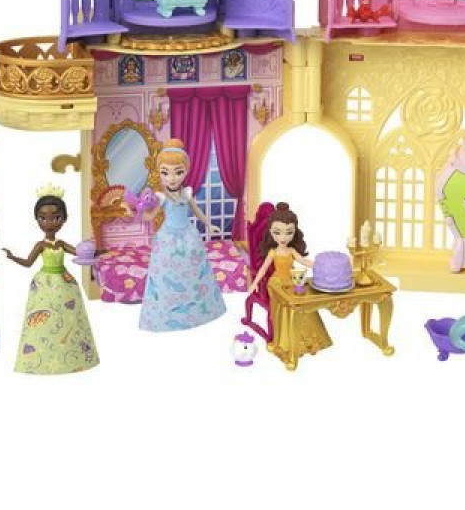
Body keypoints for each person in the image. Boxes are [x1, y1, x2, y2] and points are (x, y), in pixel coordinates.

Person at [3, 186, 99, 374]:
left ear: (64, 219)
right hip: (44, 286)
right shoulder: (41, 245)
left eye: (56, 218)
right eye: (43, 218)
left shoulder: (61, 244)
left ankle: (72, 355)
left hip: (64, 284)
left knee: (67, 318)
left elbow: (79, 252)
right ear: (37, 219)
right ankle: (41, 355)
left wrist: (94, 250)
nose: (49, 223)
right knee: (43, 320)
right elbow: (28, 262)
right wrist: (13, 257)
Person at [138, 139, 227, 332]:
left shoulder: (186, 193)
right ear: (159, 172)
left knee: (194, 272)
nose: (171, 178)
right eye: (165, 172)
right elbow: (149, 217)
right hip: (168, 239)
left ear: (186, 171)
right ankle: (167, 314)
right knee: (166, 274)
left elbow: (196, 211)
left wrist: (209, 224)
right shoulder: (161, 196)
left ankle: (197, 311)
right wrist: (138, 209)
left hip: (188, 237)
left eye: (178, 172)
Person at [247, 201, 331, 355]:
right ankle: (286, 341)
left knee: (303, 303)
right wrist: (254, 283)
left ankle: (308, 339)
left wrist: (320, 264)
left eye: (289, 232)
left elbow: (304, 261)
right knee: (285, 304)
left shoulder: (291, 250)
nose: (283, 237)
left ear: (294, 232)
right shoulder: (273, 252)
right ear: (271, 232)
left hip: (292, 281)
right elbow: (263, 269)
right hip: (276, 283)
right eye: (277, 232)